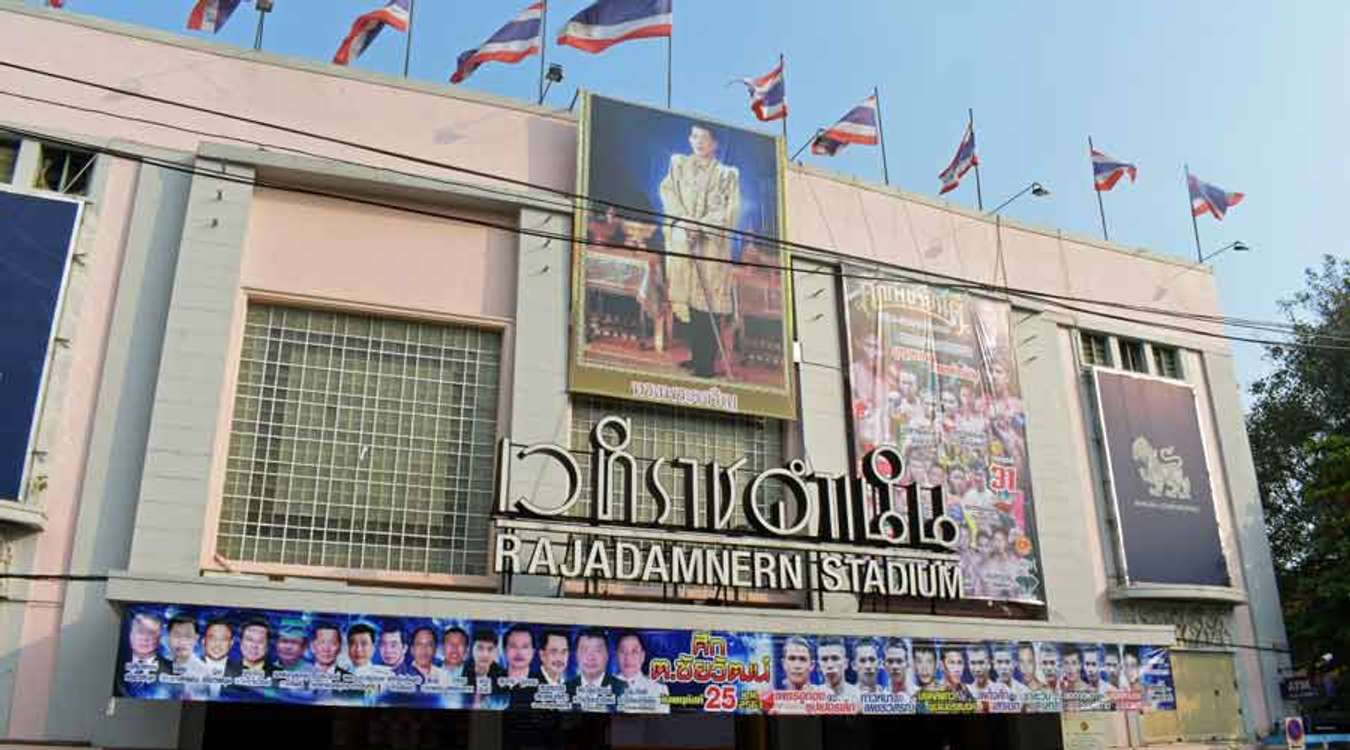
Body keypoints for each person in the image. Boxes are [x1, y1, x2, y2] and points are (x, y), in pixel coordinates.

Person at [659, 123, 741, 379]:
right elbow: (669, 193)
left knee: (708, 305)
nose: (698, 142)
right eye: (694, 136)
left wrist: (701, 226)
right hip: (685, 242)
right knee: (691, 304)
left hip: (711, 249)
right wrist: (685, 221)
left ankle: (707, 364)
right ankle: (696, 357)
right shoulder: (679, 164)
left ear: (715, 143)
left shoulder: (728, 174)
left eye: (704, 138)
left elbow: (730, 211)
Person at [566, 629, 624, 711]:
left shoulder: (622, 689)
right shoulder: (564, 689)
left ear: (607, 655)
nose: (590, 657)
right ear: (576, 655)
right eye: (584, 650)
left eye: (597, 651)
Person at [614, 631, 670, 713]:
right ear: (616, 655)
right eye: (623, 651)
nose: (628, 657)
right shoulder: (604, 687)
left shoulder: (659, 689)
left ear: (642, 656)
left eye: (634, 651)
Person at [817, 637, 861, 704]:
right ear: (819, 666)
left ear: (845, 663)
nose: (830, 665)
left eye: (835, 658)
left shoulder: (859, 698)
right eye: (824, 659)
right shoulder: (812, 698)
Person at [167, 615, 208, 679]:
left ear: (196, 639)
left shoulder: (205, 673)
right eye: (177, 635)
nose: (182, 641)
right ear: (169, 637)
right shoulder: (159, 665)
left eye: (188, 636)